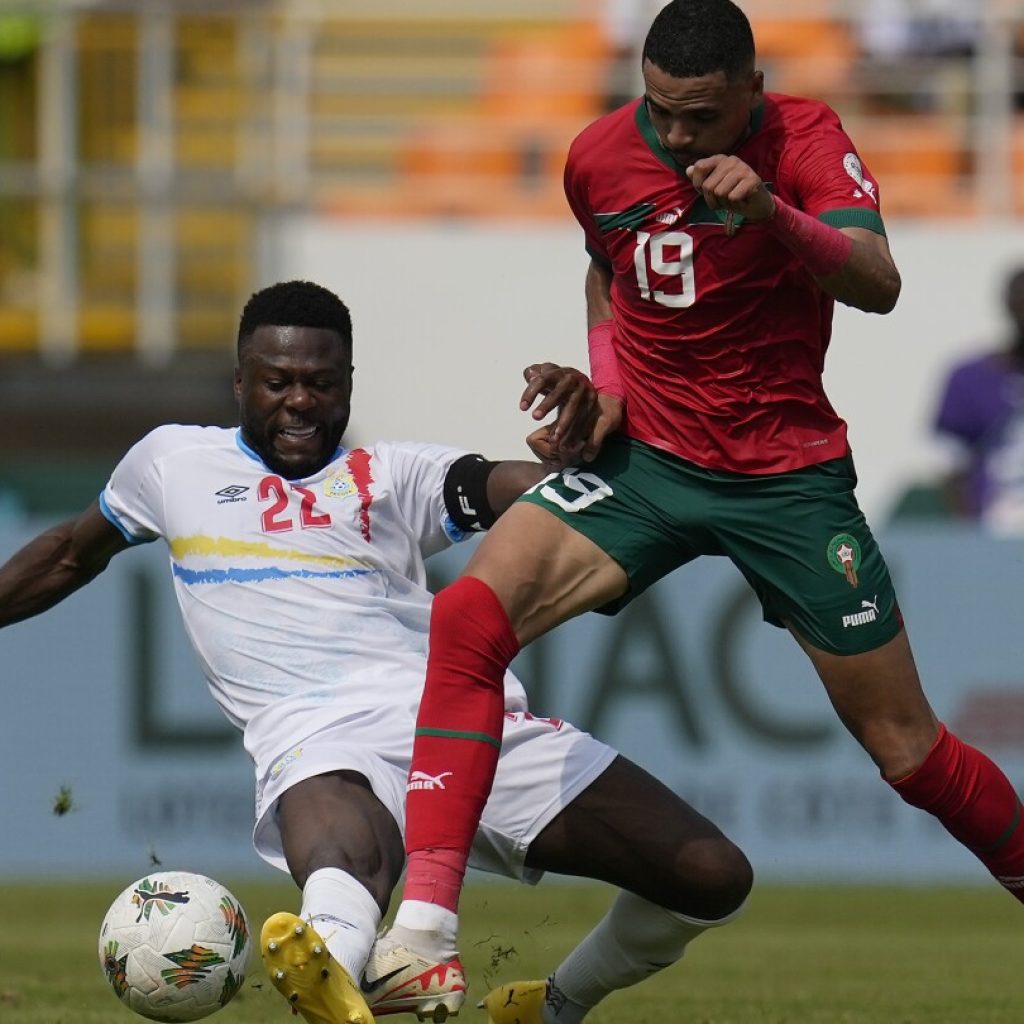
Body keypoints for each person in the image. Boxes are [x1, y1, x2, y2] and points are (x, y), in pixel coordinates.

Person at [386, 3, 1024, 1019]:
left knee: (907, 751)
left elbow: (879, 283)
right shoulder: (597, 153)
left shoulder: (807, 139)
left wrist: (773, 210)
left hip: (786, 479)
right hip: (650, 466)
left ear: (749, 93)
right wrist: (607, 390)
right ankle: (420, 934)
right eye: (661, 112)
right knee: (467, 618)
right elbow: (608, 270)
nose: (676, 137)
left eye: (700, 118)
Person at [0, 280, 753, 1024]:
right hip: (314, 735)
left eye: (322, 384)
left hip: (457, 722)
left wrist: (575, 468)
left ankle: (551, 1007)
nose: (299, 401)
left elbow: (514, 490)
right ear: (238, 383)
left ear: (350, 386)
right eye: (277, 383)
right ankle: (331, 977)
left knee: (712, 876)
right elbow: (71, 553)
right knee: (346, 858)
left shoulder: (393, 474)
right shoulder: (172, 463)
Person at [932, 266, 1024, 533]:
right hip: (994, 529)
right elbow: (950, 469)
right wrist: (971, 538)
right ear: (1008, 305)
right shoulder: (969, 378)